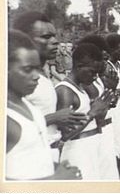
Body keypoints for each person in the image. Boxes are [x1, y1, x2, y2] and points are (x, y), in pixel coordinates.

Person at [6, 30, 81, 180]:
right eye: (27, 69)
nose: (36, 77)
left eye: (37, 69)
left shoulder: (29, 107)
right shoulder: (7, 118)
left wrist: (55, 168)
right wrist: (54, 180)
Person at [13, 11, 87, 162]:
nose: (55, 41)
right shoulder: (16, 79)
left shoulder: (43, 77)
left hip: (49, 153)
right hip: (28, 157)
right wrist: (54, 118)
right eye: (46, 37)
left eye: (54, 36)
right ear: (25, 40)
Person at [55, 43, 115, 180]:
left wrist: (102, 109)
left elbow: (93, 120)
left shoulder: (81, 88)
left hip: (92, 147)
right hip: (77, 151)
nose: (95, 77)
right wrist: (92, 113)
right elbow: (65, 135)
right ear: (79, 66)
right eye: (92, 72)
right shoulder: (65, 91)